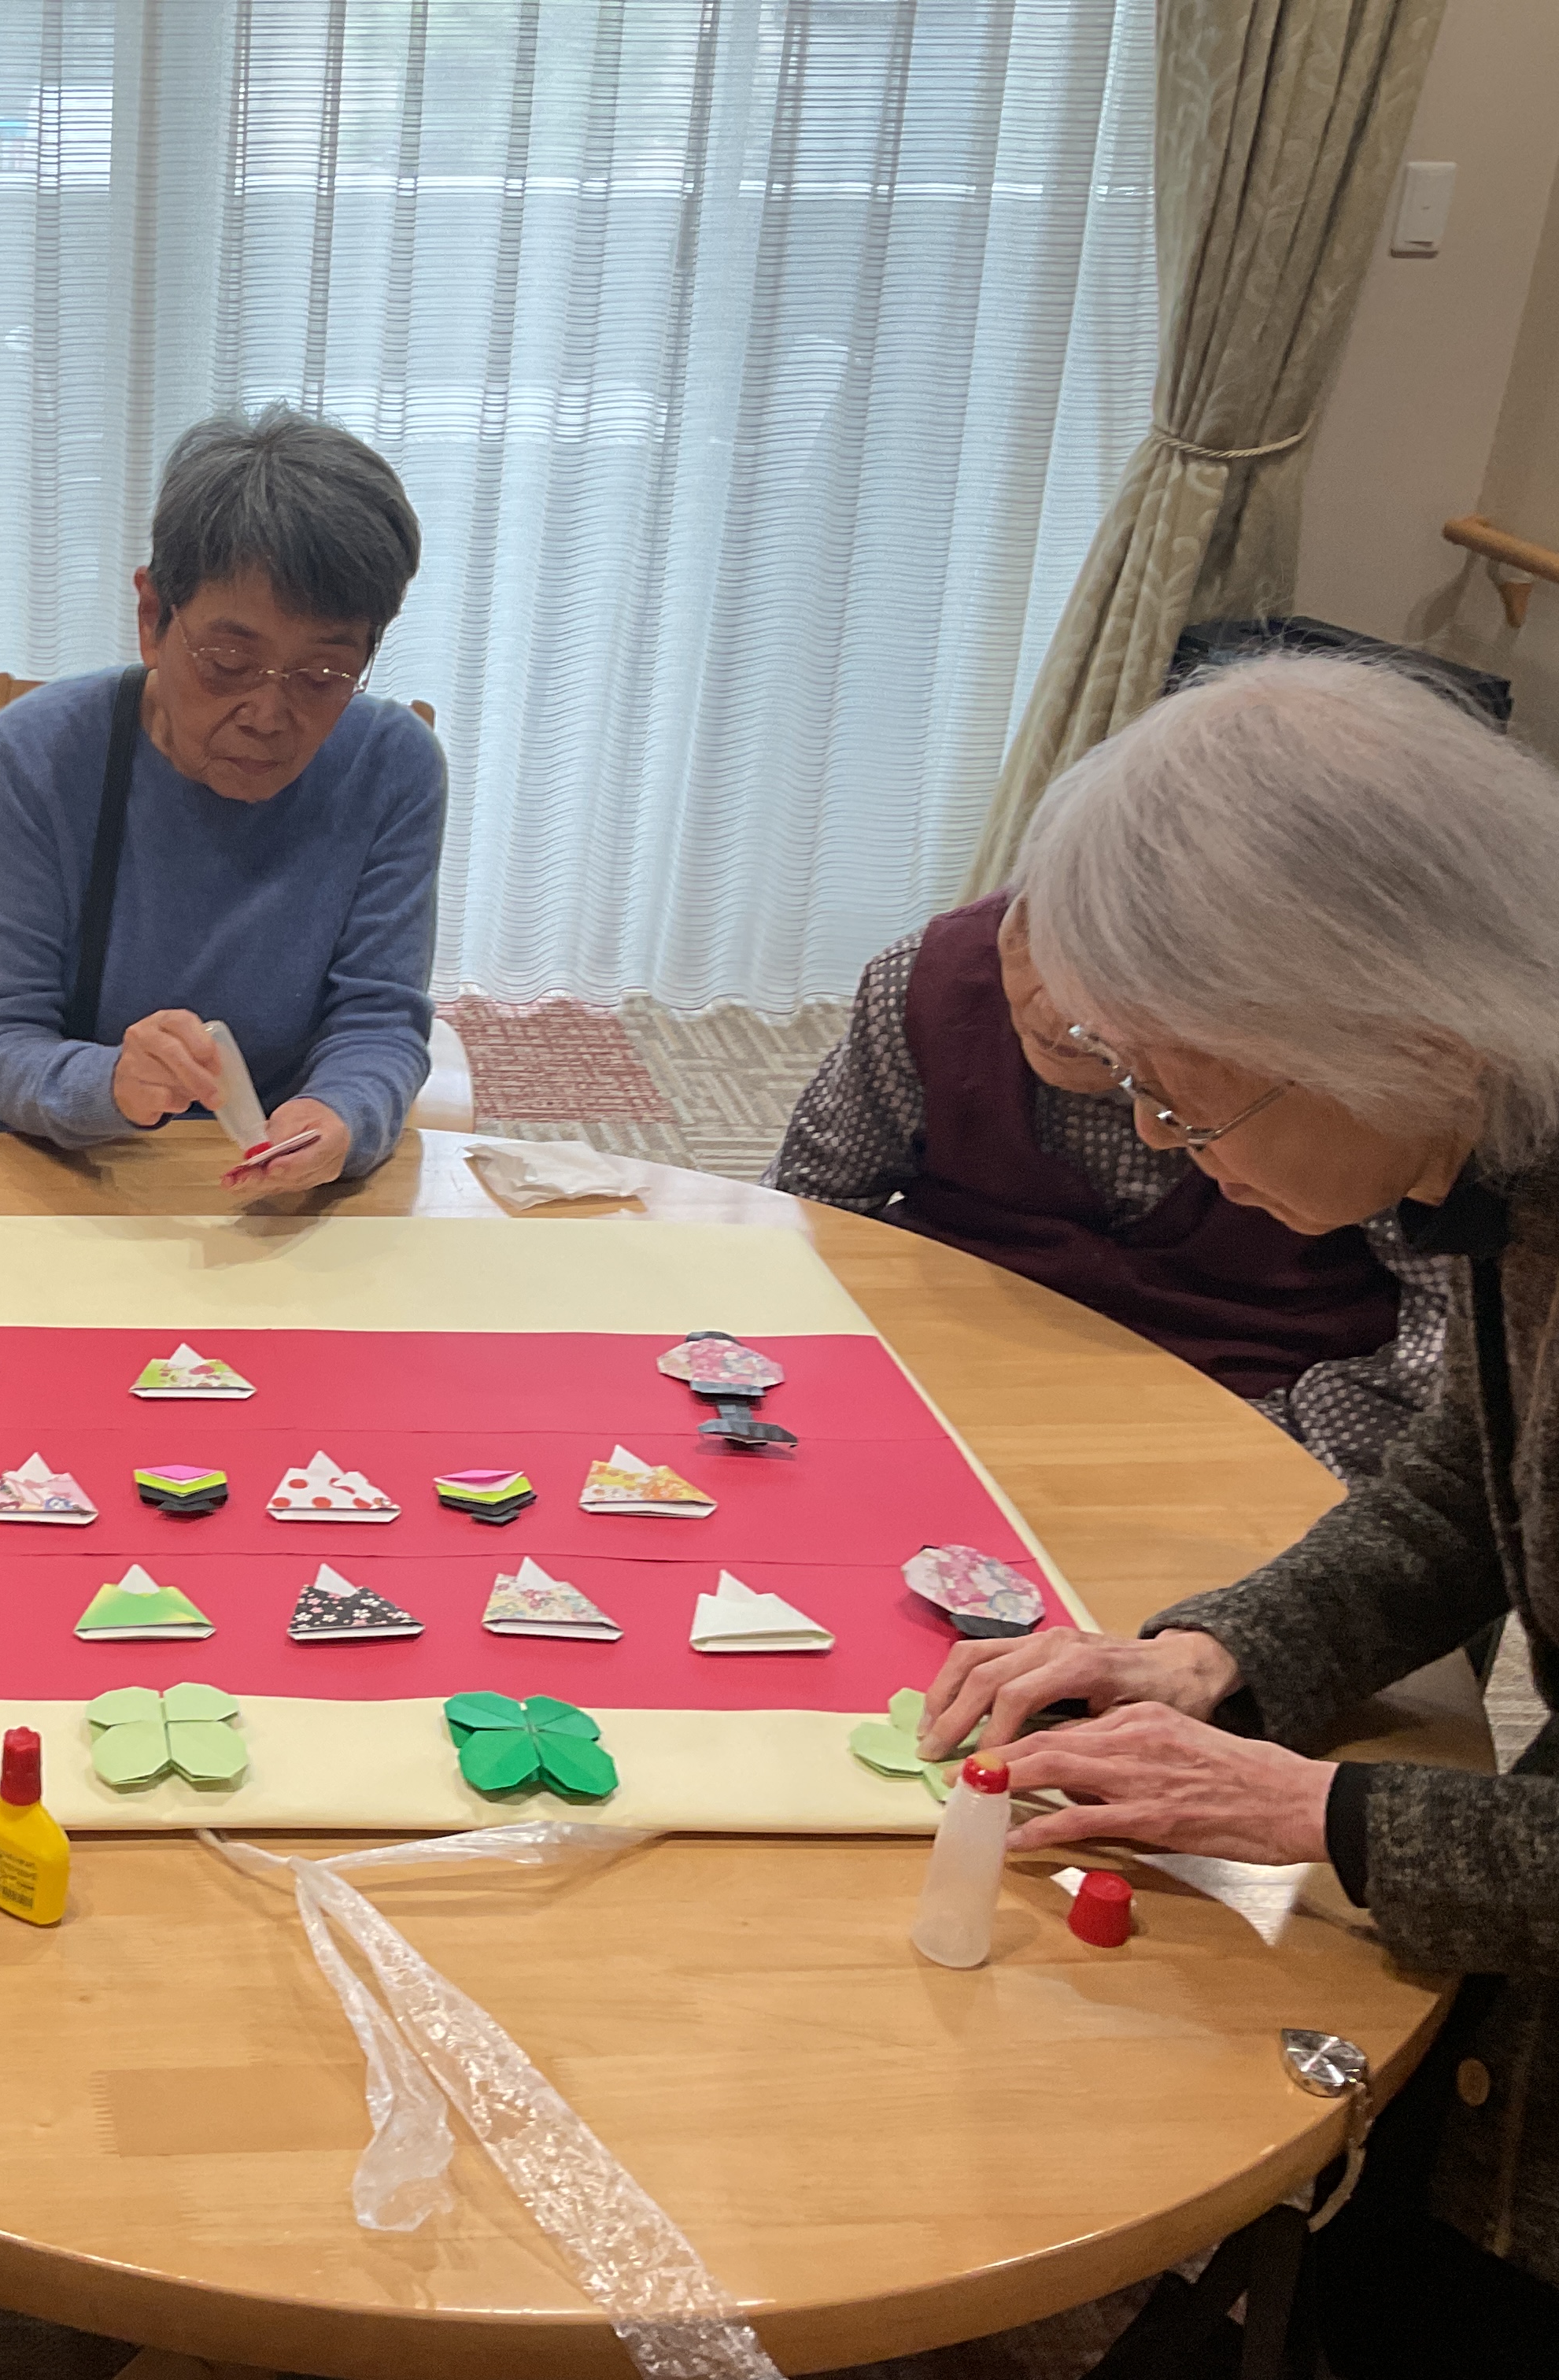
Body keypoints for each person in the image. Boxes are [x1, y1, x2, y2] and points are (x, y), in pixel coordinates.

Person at [903, 658, 1559, 2372]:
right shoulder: (1504, 1160)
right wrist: (1217, 1653)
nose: (1166, 1142)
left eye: (1190, 1100)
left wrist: (1326, 1812)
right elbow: (1465, 1493)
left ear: (1402, 1026)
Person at [0, 408, 441, 1191]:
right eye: (228, 662)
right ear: (153, 617)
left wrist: (339, 1114)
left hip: (260, 1184)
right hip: (40, 1163)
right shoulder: (44, 751)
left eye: (323, 676)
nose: (268, 715)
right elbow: (0, 1039)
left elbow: (379, 1021)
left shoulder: (392, 766)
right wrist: (112, 1081)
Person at [770, 885, 1446, 1480]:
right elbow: (806, 1204)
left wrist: (1267, 1452)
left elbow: (1446, 1348)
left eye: (1107, 970)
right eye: (1031, 931)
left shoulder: (1330, 1079)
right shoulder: (938, 977)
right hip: (943, 1358)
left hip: (1237, 1405)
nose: (1051, 1006)